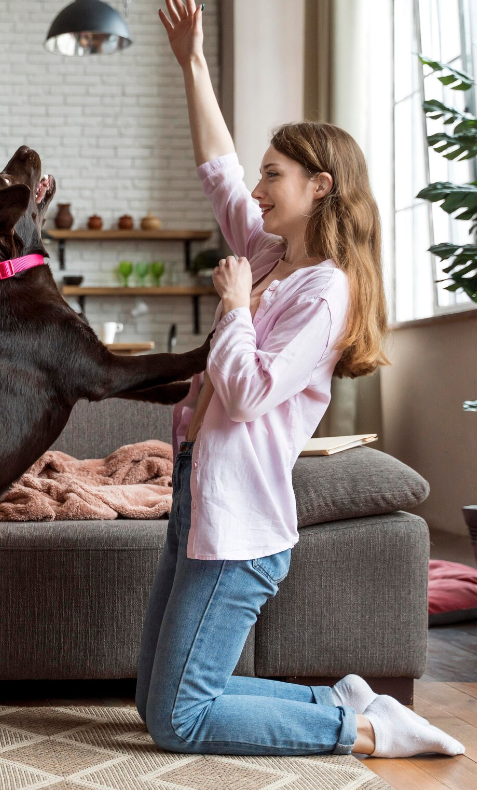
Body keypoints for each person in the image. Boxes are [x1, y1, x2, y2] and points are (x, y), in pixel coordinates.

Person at [136, 0, 464, 759]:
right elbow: (218, 169)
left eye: (273, 175)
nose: (256, 189)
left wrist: (235, 306)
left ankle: (367, 729)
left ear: (319, 185)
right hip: (198, 494)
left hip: (240, 524)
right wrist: (192, 61)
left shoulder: (326, 291)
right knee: (157, 699)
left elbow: (249, 392)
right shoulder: (271, 253)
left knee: (179, 720)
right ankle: (341, 697)